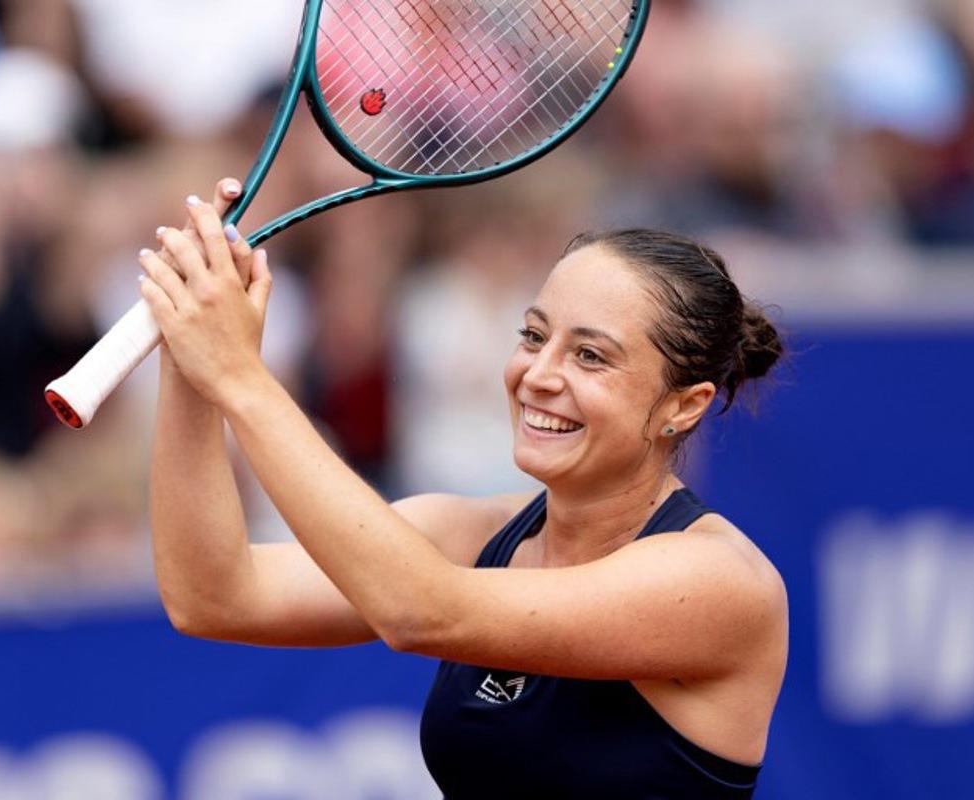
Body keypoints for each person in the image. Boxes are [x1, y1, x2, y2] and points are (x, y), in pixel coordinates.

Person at [138, 179, 790, 799]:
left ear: (684, 404)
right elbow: (213, 595)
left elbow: (420, 611)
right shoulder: (472, 533)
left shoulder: (721, 583)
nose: (538, 373)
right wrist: (191, 347)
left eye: (589, 356)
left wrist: (241, 376)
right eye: (534, 336)